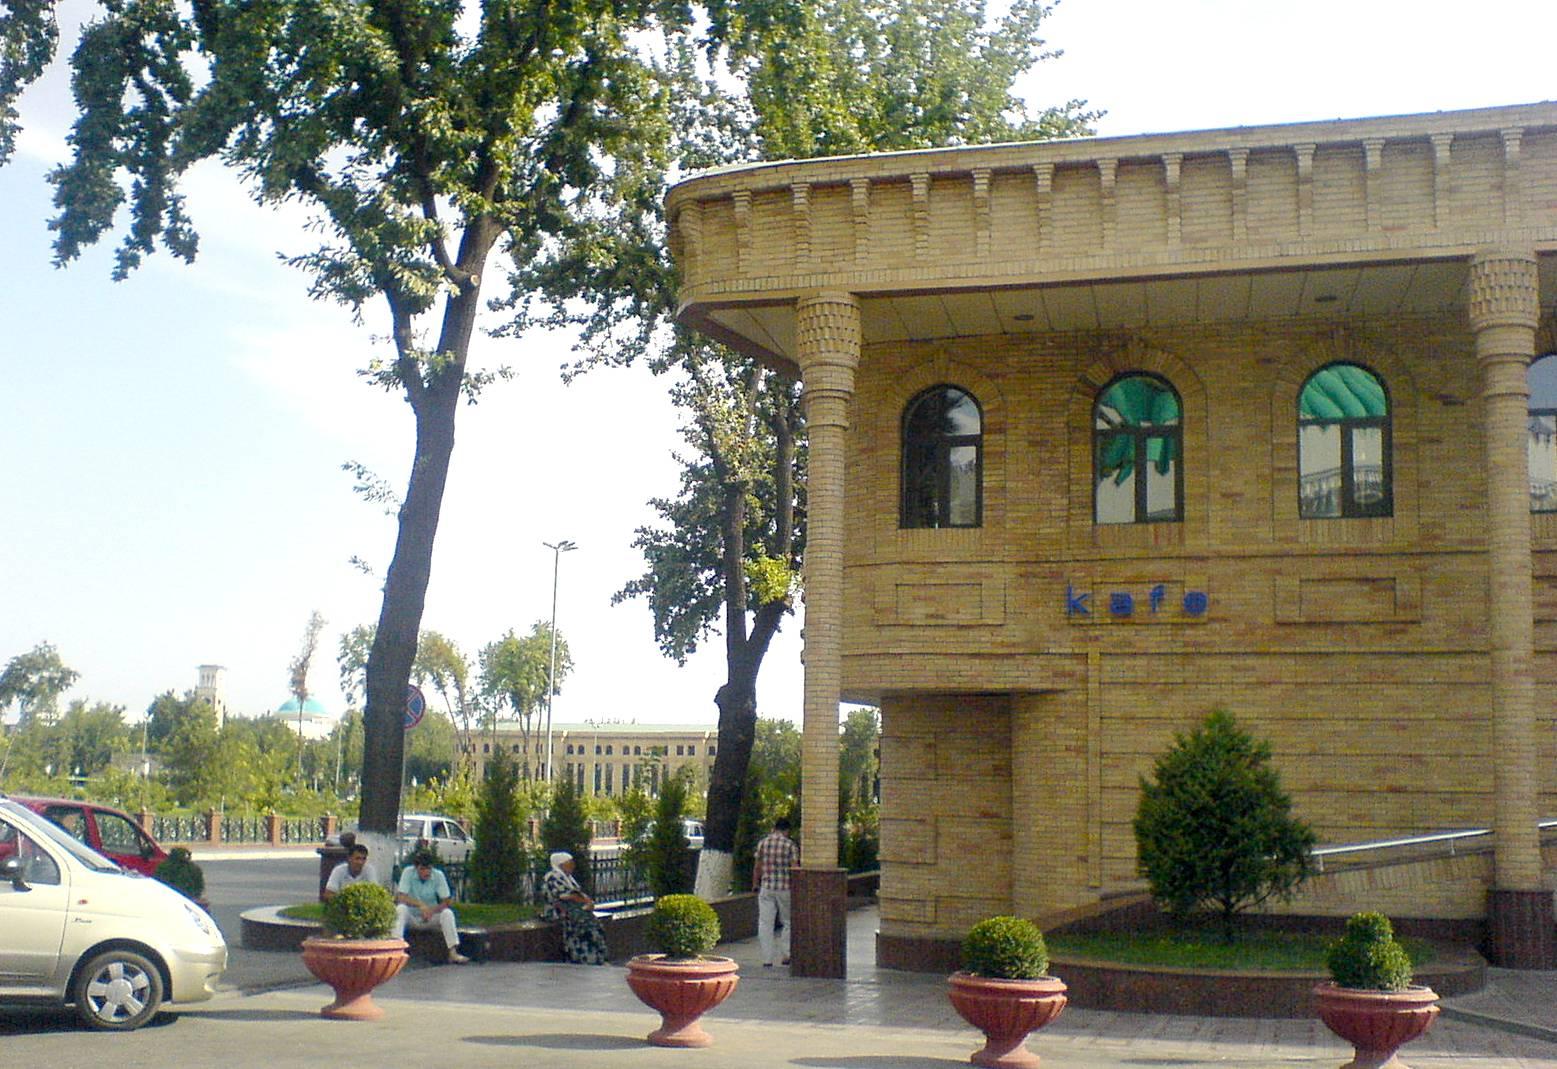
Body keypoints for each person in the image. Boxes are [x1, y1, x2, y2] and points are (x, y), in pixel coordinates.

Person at [391, 850, 469, 964]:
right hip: (412, 916)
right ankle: (395, 948)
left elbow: (447, 901)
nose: (426, 872)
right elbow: (401, 897)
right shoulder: (408, 872)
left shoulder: (438, 875)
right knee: (400, 909)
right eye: (422, 869)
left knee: (447, 913)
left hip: (430, 917)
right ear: (416, 868)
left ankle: (453, 952)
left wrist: (432, 910)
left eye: (429, 868)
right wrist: (420, 905)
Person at [542, 851, 608, 965]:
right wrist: (586, 901)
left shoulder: (568, 878)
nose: (573, 866)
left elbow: (578, 894)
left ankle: (596, 957)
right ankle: (583, 956)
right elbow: (566, 895)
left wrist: (588, 902)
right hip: (559, 911)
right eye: (570, 863)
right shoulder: (553, 877)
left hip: (574, 910)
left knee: (595, 926)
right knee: (584, 927)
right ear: (561, 864)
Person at [752, 816, 799, 968]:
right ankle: (786, 954)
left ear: (774, 828)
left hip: (767, 887)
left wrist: (755, 884)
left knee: (765, 923)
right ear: (787, 830)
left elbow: (757, 866)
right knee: (788, 921)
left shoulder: (763, 843)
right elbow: (794, 868)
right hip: (785, 888)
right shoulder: (790, 845)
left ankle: (767, 959)